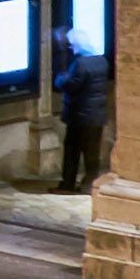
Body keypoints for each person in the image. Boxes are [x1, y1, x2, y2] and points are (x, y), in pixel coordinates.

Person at [53, 37, 112, 191]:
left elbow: (70, 85)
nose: (71, 48)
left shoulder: (81, 63)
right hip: (97, 114)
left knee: (72, 150)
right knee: (92, 152)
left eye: (72, 45)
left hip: (80, 115)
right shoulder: (101, 60)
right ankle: (89, 184)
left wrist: (60, 79)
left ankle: (68, 184)